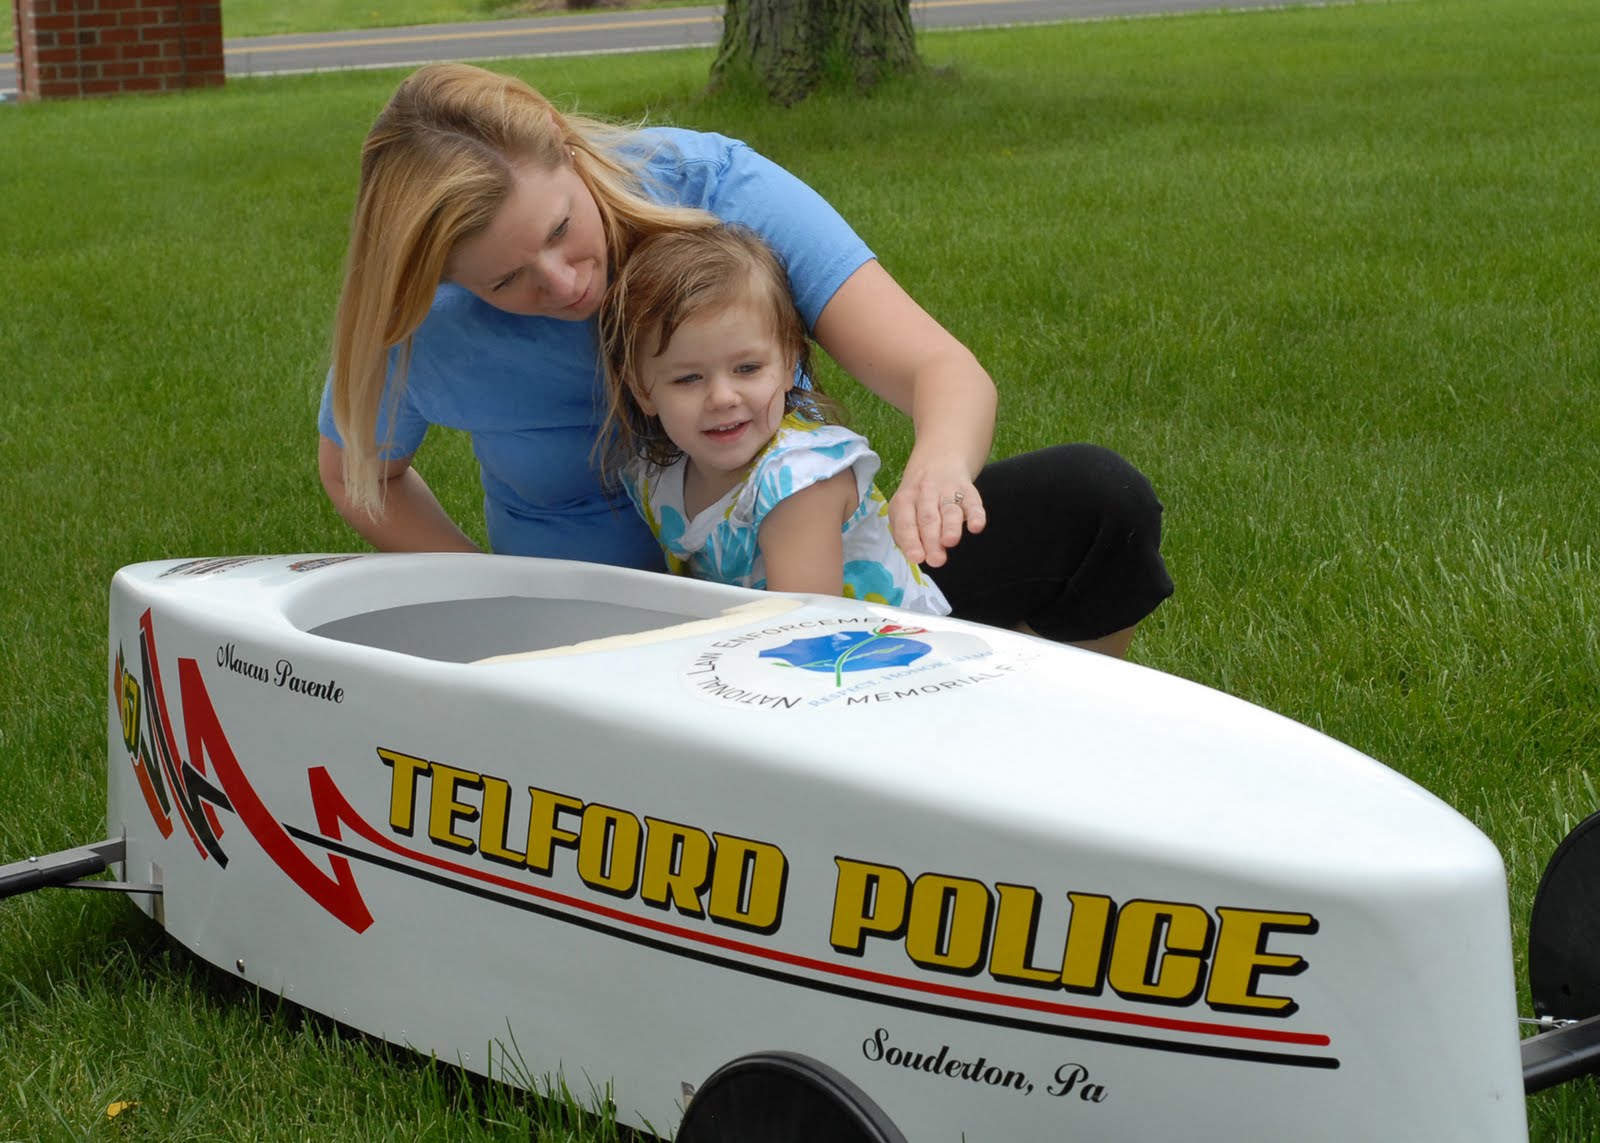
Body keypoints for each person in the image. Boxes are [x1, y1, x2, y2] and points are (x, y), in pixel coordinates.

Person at [317, 62, 1171, 656]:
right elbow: (357, 473)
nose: (566, 283)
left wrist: (937, 475)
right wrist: (493, 593)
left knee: (1096, 501)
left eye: (561, 230)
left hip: (813, 582)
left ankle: (1050, 739)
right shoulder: (423, 321)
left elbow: (939, 371)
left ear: (558, 138)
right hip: (591, 646)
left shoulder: (714, 191)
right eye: (507, 281)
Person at [597, 223, 950, 615]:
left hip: (885, 647)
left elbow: (805, 627)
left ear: (788, 365)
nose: (723, 398)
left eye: (747, 368)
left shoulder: (798, 483)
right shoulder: (662, 478)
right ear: (643, 390)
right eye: (688, 378)